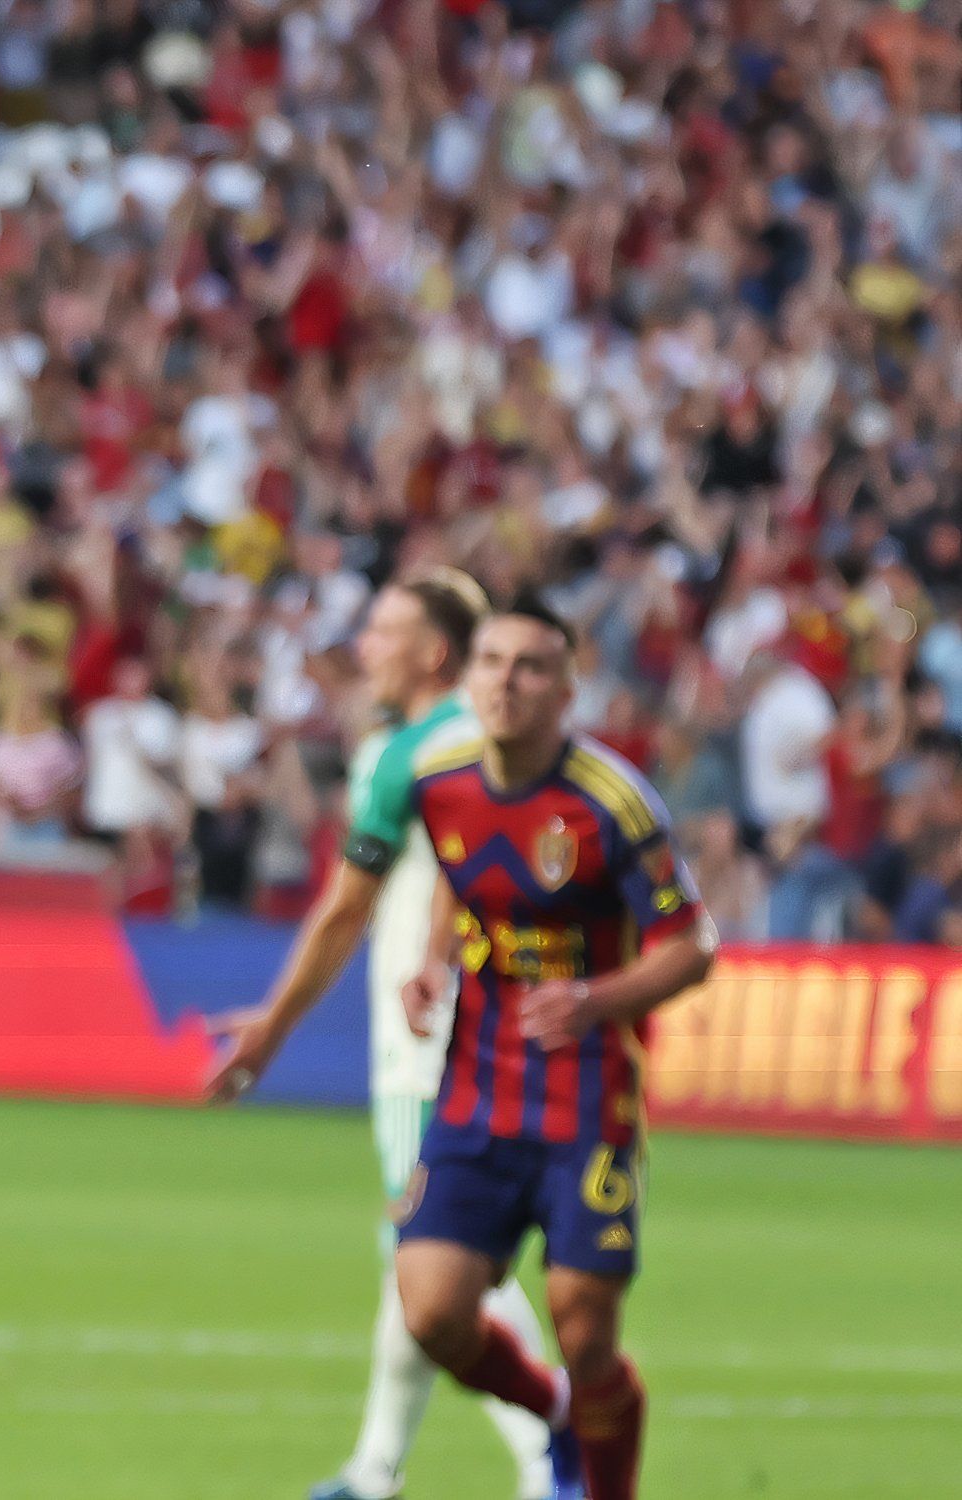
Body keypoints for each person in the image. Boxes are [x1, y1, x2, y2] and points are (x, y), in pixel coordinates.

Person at [209, 571, 565, 1500]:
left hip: (434, 1042)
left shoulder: (413, 753)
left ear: (433, 652)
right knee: (413, 1249)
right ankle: (375, 1471)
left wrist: (273, 1027)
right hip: (474, 1029)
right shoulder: (489, 744)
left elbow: (343, 910)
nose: (365, 644)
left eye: (385, 629)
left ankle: (554, 1449)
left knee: (447, 1256)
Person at [395, 597, 718, 1500]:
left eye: (531, 666)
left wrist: (595, 1000)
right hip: (475, 1094)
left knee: (585, 1328)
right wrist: (431, 965)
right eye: (491, 662)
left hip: (587, 1101)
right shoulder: (441, 783)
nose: (506, 682)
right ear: (466, 678)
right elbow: (465, 880)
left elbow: (694, 946)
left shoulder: (611, 803)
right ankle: (556, 1415)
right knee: (431, 1311)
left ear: (568, 688)